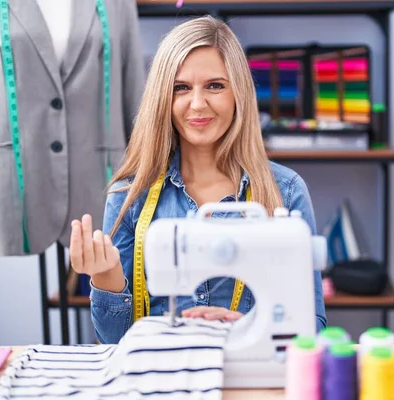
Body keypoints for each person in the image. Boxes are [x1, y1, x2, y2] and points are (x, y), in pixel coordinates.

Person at [69, 16, 327, 344]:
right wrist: (106, 278)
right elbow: (116, 341)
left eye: (215, 86)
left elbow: (313, 327)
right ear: (163, 97)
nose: (197, 104)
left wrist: (251, 328)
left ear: (239, 93)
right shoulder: (129, 196)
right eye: (181, 88)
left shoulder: (285, 192)